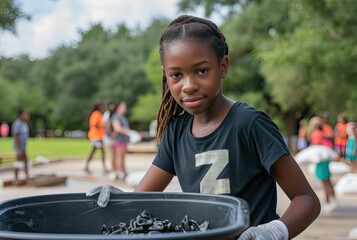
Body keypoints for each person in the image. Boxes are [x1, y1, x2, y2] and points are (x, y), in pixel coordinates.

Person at [134, 15, 320, 239]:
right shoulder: (175, 132)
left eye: (202, 71)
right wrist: (114, 201)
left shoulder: (249, 124)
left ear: (223, 66)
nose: (189, 86)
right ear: (166, 76)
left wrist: (273, 232)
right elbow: (140, 201)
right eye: (176, 75)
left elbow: (306, 199)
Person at [309, 116, 337, 212]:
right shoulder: (322, 132)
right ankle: (333, 200)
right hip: (324, 158)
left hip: (320, 159)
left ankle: (328, 202)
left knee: (324, 181)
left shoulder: (316, 133)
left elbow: (316, 144)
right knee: (328, 180)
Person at [84, 102, 108, 174]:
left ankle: (86, 166)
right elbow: (95, 125)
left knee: (94, 151)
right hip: (96, 136)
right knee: (101, 151)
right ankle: (104, 167)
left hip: (98, 136)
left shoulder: (98, 113)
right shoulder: (96, 114)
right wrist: (103, 127)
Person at [111, 101, 130, 180]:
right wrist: (128, 132)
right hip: (119, 140)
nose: (125, 108)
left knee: (122, 157)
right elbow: (117, 128)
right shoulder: (116, 117)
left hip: (124, 140)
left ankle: (123, 171)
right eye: (123, 106)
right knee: (119, 157)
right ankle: (120, 172)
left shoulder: (123, 117)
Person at [11, 108, 30, 183]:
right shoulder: (17, 123)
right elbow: (16, 136)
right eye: (25, 114)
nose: (27, 116)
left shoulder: (24, 123)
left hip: (23, 146)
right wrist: (19, 148)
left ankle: (27, 176)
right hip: (19, 147)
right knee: (19, 161)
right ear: (21, 114)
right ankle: (16, 178)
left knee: (24, 161)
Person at [103, 101, 117, 175]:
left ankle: (114, 168)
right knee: (111, 153)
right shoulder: (107, 114)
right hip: (109, 136)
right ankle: (112, 168)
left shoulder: (114, 114)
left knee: (114, 154)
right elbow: (104, 126)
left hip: (114, 136)